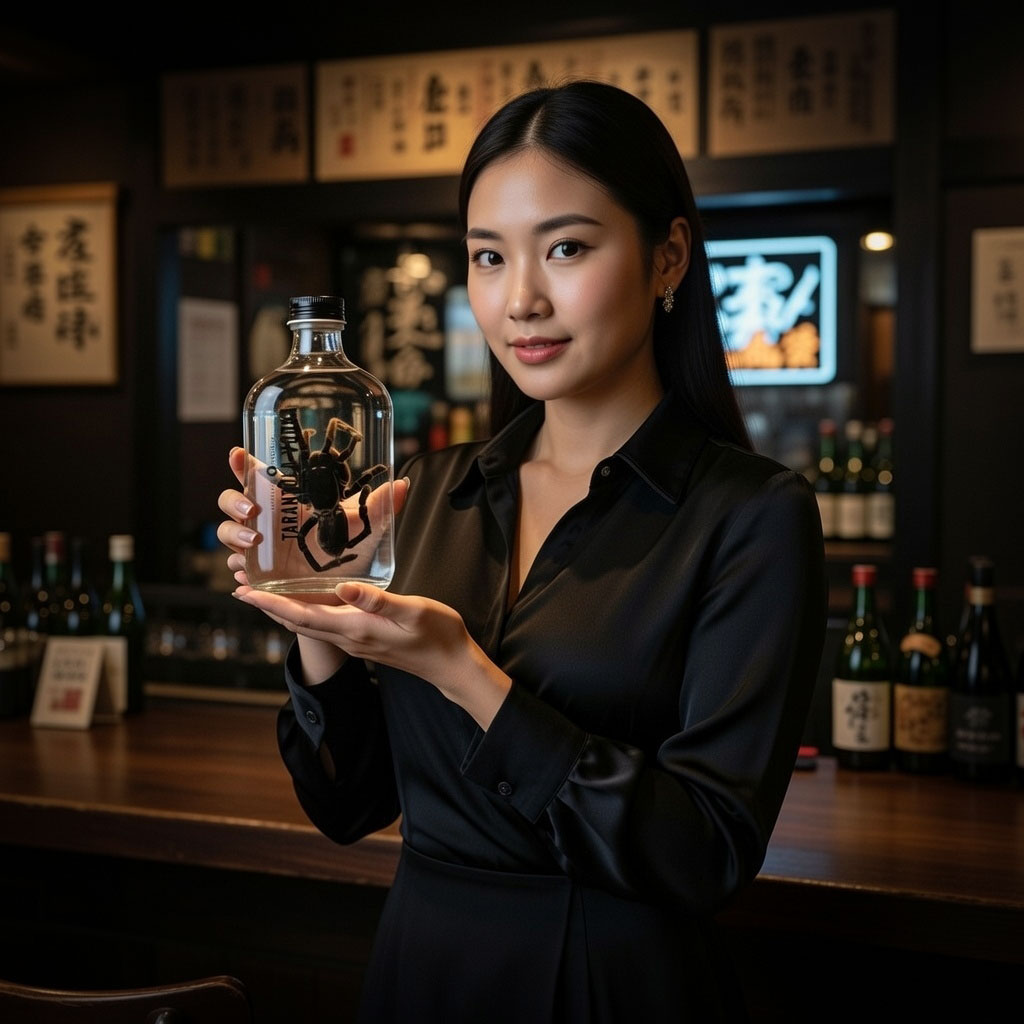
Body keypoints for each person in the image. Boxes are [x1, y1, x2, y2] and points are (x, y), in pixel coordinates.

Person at [218, 79, 827, 1023]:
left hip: (611, 986)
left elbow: (705, 854)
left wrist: (466, 674)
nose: (522, 299)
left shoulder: (752, 517)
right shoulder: (429, 494)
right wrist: (320, 620)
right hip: (423, 966)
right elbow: (349, 809)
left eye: (568, 248)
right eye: (489, 258)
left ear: (668, 257)